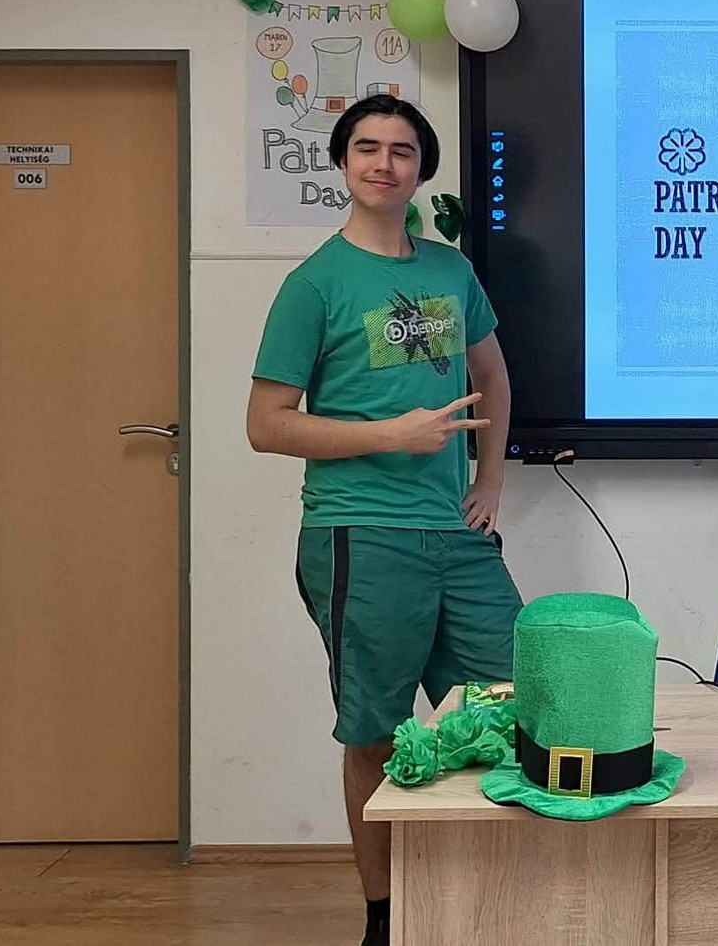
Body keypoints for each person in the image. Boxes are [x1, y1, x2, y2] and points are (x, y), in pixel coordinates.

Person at [246, 95, 519, 946]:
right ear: (343, 163)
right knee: (375, 733)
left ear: (420, 170)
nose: (383, 163)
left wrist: (490, 480)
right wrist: (388, 435)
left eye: (401, 151)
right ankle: (386, 918)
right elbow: (266, 425)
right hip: (360, 535)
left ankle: (481, 905)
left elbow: (492, 377)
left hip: (456, 535)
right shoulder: (315, 284)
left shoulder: (450, 271)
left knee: (512, 708)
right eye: (366, 147)